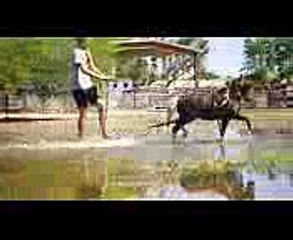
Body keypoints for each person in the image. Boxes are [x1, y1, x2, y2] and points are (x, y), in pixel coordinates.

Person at [71, 38, 111, 139]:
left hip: (88, 85)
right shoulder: (77, 52)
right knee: (83, 113)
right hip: (79, 87)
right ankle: (81, 137)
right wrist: (99, 77)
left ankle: (104, 134)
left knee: (101, 106)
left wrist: (104, 76)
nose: (88, 40)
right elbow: (84, 69)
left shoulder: (86, 51)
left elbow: (92, 67)